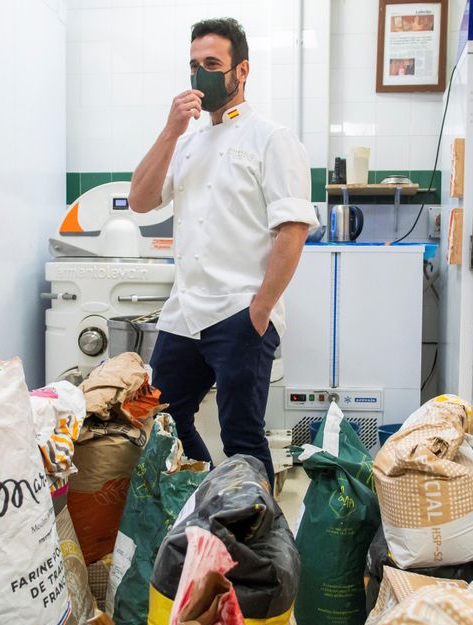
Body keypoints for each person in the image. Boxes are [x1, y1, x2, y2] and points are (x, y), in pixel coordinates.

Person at [128, 17, 318, 486]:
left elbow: (292, 230)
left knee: (242, 437)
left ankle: (260, 548)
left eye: (213, 63)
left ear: (242, 70)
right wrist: (170, 129)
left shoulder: (271, 138)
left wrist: (261, 309)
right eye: (194, 65)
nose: (201, 74)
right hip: (185, 312)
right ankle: (213, 500)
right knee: (162, 423)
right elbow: (140, 199)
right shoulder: (186, 142)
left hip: (240, 312)